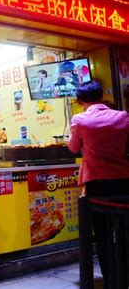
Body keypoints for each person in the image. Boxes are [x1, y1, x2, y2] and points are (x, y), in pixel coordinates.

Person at [67, 81, 129, 287]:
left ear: (81, 101)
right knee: (125, 231)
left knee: (102, 234)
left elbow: (73, 147)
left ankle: (111, 279)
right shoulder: (123, 116)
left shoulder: (80, 119)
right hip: (123, 181)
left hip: (97, 184)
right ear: (101, 96)